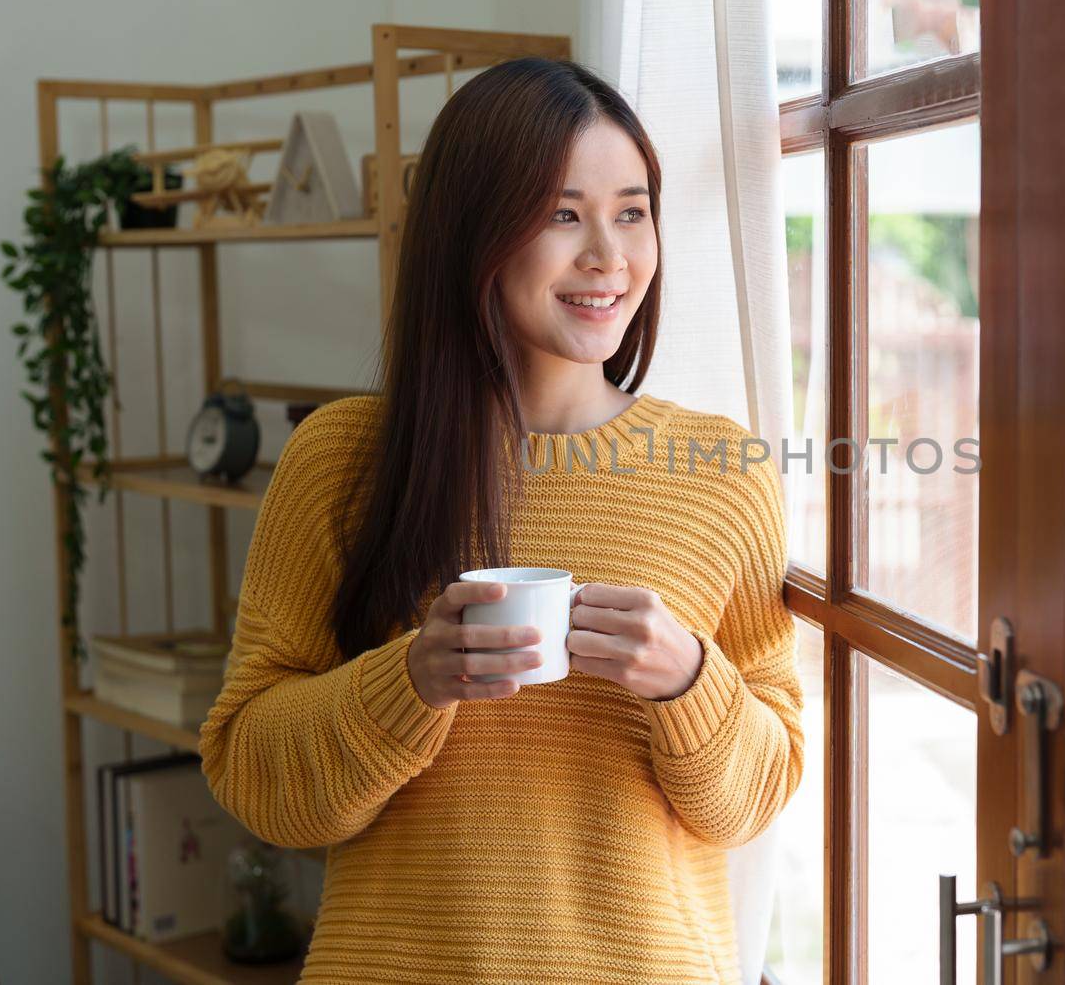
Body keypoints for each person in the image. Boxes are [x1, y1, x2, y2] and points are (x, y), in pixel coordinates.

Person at [197, 57, 804, 984]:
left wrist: (688, 681)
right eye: (563, 213)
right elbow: (253, 774)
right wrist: (408, 681)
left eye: (632, 210)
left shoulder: (721, 470)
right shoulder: (342, 458)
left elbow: (757, 795)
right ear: (472, 229)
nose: (608, 253)